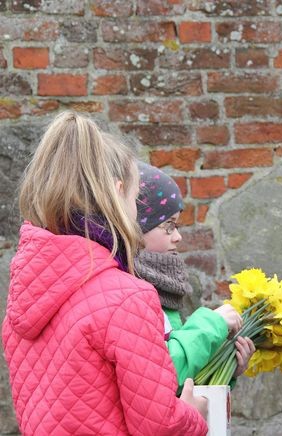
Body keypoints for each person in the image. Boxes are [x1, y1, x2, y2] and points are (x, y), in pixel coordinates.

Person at [2, 111, 208, 435]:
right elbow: (160, 426)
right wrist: (194, 416)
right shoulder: (128, 297)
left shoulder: (23, 300)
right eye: (135, 197)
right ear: (117, 190)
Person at [135, 162, 255, 390]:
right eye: (168, 226)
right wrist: (212, 324)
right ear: (137, 228)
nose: (178, 236)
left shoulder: (164, 283)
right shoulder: (133, 287)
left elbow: (180, 383)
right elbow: (162, 374)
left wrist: (226, 366)